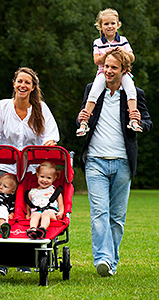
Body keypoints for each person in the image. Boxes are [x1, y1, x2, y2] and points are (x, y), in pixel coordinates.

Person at [76, 49, 152, 277]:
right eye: (106, 66)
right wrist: (80, 119)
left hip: (123, 163)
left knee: (117, 218)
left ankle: (112, 262)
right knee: (100, 213)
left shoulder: (134, 94)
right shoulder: (93, 90)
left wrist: (139, 121)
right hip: (95, 161)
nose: (108, 71)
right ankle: (103, 260)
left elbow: (147, 122)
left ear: (124, 71)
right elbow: (83, 117)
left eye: (114, 68)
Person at [0, 67, 60, 274]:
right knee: (1, 210)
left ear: (33, 87)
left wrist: (47, 146)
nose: (22, 85)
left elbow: (50, 137)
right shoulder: (3, 106)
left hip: (30, 170)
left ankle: (26, 260)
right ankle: (0, 262)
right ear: (14, 84)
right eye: (19, 81)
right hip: (4, 168)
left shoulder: (41, 109)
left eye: (27, 83)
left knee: (26, 212)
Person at [76, 8, 142, 137]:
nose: (110, 26)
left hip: (123, 73)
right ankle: (84, 122)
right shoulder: (98, 42)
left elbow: (132, 57)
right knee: (93, 93)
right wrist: (108, 53)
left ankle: (133, 119)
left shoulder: (122, 40)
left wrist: (122, 53)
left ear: (117, 24)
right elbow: (96, 60)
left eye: (113, 23)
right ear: (100, 26)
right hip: (103, 72)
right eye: (106, 24)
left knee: (131, 91)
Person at [26, 162, 64, 239]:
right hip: (37, 211)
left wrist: (61, 212)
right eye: (42, 176)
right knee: (35, 215)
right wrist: (28, 214)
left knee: (46, 213)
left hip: (51, 212)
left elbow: (60, 204)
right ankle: (32, 229)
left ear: (54, 178)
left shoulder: (55, 191)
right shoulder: (32, 192)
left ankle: (42, 229)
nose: (45, 180)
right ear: (37, 175)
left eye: (48, 178)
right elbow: (29, 204)